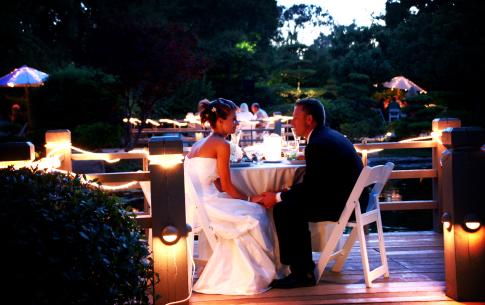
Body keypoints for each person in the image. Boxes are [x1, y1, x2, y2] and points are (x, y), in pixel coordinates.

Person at [260, 98, 364, 289]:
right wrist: (290, 192)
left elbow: (313, 190)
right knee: (291, 202)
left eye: (295, 118)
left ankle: (301, 273)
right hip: (353, 201)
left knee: (285, 209)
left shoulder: (318, 144)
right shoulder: (329, 137)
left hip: (340, 204)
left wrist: (277, 197)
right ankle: (301, 268)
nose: (292, 122)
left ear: (309, 119)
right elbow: (319, 183)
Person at [185, 98, 276, 295]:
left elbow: (216, 181)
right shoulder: (221, 145)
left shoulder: (200, 143)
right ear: (219, 121)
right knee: (256, 213)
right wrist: (252, 199)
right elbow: (226, 185)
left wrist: (242, 199)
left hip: (195, 204)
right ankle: (256, 272)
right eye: (233, 119)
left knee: (250, 210)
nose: (237, 123)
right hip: (207, 205)